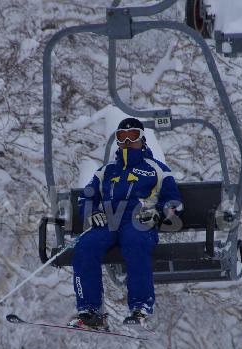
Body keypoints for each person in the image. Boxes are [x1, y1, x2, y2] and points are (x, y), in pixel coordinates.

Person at [67, 117, 183, 330]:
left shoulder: (157, 169)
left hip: (138, 220)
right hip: (109, 221)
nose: (127, 141)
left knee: (135, 242)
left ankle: (140, 307)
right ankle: (90, 311)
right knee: (85, 246)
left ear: (142, 139)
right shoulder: (106, 171)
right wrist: (92, 213)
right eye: (122, 137)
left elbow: (173, 200)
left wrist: (158, 213)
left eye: (133, 136)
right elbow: (87, 196)